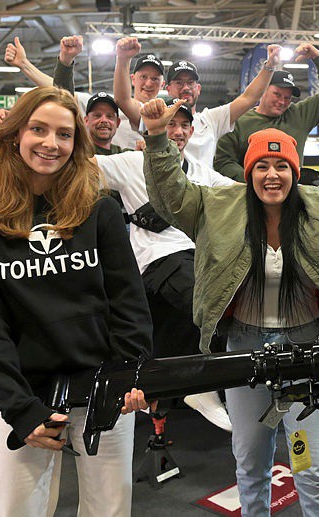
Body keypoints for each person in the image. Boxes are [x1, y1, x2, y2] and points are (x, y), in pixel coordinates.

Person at [141, 97, 319, 516]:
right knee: (250, 464)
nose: (272, 174)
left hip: (309, 352)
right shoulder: (216, 206)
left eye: (282, 166)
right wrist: (157, 139)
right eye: (262, 166)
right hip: (243, 351)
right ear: (248, 172)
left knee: (313, 469)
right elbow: (169, 196)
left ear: (295, 171)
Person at [0, 86, 153, 516]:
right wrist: (20, 408)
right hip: (29, 396)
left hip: (103, 391)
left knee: (109, 510)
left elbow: (128, 303)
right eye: (38, 130)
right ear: (15, 135)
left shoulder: (99, 210)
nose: (51, 143)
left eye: (64, 134)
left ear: (76, 143)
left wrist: (129, 375)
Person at [97, 98, 236, 431]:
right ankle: (201, 386)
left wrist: (306, 192)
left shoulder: (201, 172)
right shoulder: (131, 161)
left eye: (184, 125)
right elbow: (79, 170)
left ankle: (214, 382)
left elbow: (244, 194)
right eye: (171, 123)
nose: (178, 131)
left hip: (196, 259)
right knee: (210, 303)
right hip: (157, 262)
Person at [113, 37, 282, 167]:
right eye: (179, 83)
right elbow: (123, 100)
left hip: (202, 197)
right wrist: (123, 59)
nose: (186, 88)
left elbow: (249, 98)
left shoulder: (211, 120)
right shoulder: (158, 118)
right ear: (168, 89)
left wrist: (269, 66)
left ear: (198, 88)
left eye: (190, 83)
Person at [213, 43, 319, 181]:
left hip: (292, 193)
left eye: (287, 97)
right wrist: (253, 182)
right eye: (277, 94)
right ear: (263, 90)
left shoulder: (299, 116)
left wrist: (317, 58)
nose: (282, 102)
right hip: (248, 192)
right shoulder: (238, 122)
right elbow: (223, 161)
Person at [54, 35, 148, 150]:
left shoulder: (125, 155)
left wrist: (145, 155)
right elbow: (62, 103)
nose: (104, 120)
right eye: (97, 115)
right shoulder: (78, 152)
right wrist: (65, 61)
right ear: (86, 120)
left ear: (118, 123)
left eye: (110, 116)